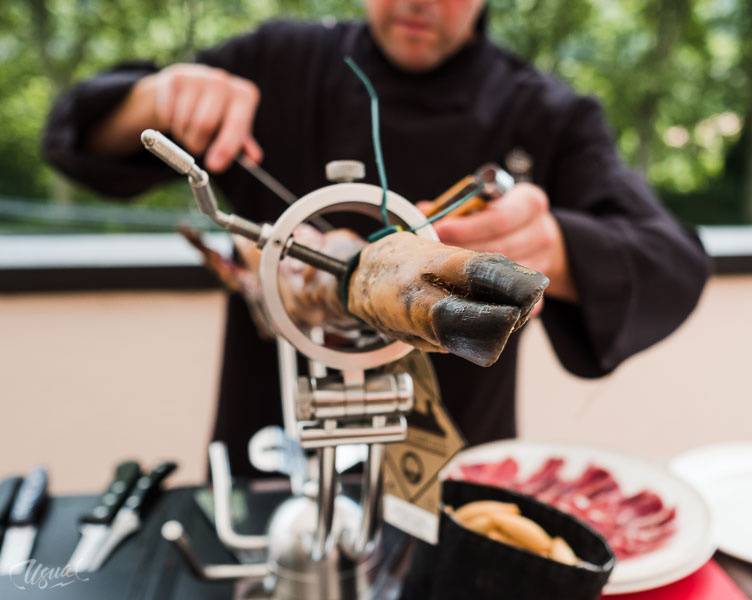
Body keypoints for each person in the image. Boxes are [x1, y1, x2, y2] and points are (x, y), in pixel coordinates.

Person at [43, 0, 710, 476]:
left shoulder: (545, 111)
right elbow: (74, 142)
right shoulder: (277, 63)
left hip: (454, 461)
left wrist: (555, 248)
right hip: (270, 448)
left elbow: (673, 262)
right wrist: (157, 99)